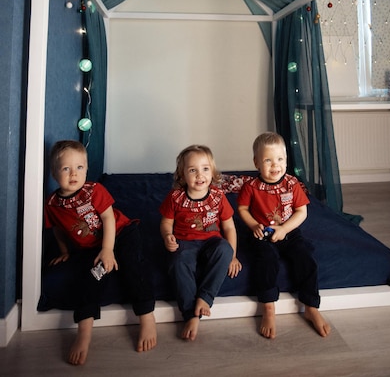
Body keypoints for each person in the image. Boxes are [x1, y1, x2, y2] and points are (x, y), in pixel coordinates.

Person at [44, 140, 157, 365]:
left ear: (87, 169)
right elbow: (57, 229)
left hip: (121, 233)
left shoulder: (94, 190)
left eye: (79, 167)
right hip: (90, 248)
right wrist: (65, 250)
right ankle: (84, 333)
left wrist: (108, 249)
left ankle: (146, 316)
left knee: (132, 265)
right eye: (66, 168)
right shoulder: (53, 204)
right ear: (54, 173)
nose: (73, 173)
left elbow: (107, 218)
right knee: (89, 278)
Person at [237, 131, 331, 340]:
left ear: (286, 160)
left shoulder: (291, 183)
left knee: (305, 255)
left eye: (280, 159)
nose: (275, 165)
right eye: (268, 160)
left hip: (287, 230)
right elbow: (242, 209)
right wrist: (253, 225)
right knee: (266, 259)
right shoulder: (251, 187)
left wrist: (284, 229)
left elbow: (302, 212)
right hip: (262, 231)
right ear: (256, 163)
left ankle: (310, 306)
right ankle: (268, 306)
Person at [159, 144, 242, 341]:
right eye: (192, 170)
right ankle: (191, 314)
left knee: (225, 249)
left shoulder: (218, 197)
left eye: (205, 169)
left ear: (212, 172)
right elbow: (166, 222)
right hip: (185, 242)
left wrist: (233, 256)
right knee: (177, 262)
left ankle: (205, 297)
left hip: (211, 242)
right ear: (182, 175)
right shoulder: (175, 198)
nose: (199, 175)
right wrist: (167, 236)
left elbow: (229, 227)